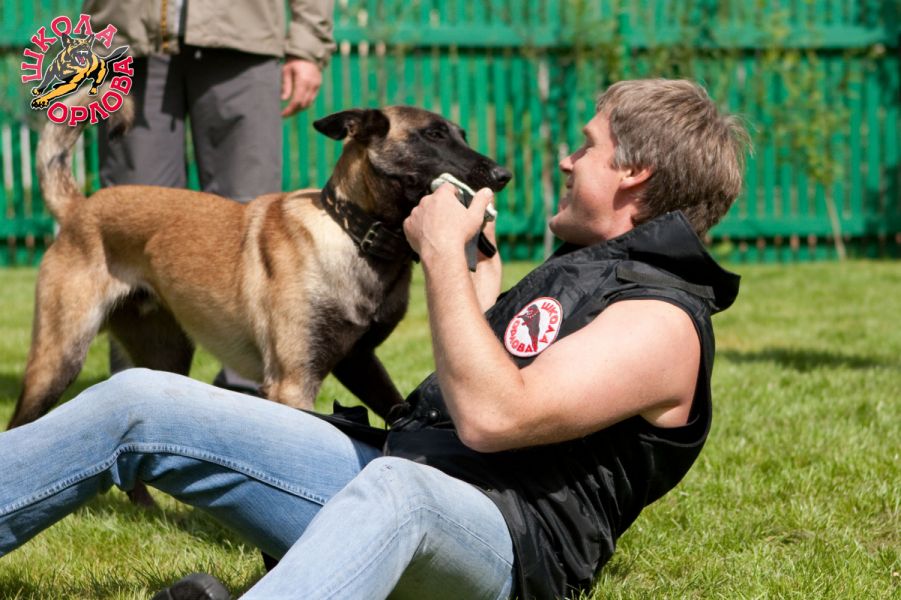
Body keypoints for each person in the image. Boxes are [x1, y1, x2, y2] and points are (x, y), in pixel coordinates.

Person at [0, 79, 748, 599]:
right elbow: (487, 368)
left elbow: (494, 416)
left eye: (585, 148)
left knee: (402, 494)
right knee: (141, 397)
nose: (564, 159)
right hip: (405, 470)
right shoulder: (585, 270)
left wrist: (440, 259)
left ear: (633, 172)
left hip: (502, 548)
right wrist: (476, 276)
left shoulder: (662, 318)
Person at [83, 0, 336, 391]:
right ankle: (141, 396)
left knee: (249, 224)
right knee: (130, 224)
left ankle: (246, 395)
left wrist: (307, 43)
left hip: (243, 34)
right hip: (126, 35)